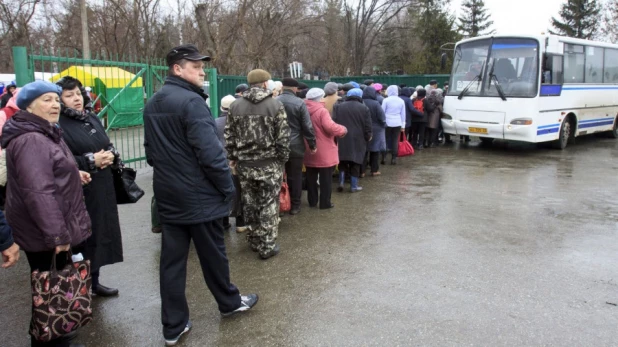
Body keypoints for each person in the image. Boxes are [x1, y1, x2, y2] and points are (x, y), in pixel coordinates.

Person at [143, 44, 258, 346]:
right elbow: (211, 153)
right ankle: (230, 303)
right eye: (196, 66)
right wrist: (227, 187)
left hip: (169, 195)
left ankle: (173, 325)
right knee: (213, 256)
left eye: (202, 66)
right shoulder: (192, 103)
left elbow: (151, 153)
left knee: (172, 263)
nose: (202, 71)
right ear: (177, 69)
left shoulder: (154, 101)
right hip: (199, 196)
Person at [2, 80, 93, 347]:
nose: (54, 105)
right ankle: (52, 338)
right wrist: (58, 237)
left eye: (55, 99)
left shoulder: (45, 133)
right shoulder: (32, 138)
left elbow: (46, 172)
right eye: (46, 100)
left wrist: (73, 174)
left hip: (47, 230)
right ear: (29, 106)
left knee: (50, 293)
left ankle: (53, 334)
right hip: (45, 234)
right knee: (50, 292)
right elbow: (38, 192)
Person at [56, 76, 123, 297]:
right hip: (79, 190)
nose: (76, 98)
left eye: (77, 93)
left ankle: (94, 281)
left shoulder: (90, 117)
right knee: (81, 238)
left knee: (99, 235)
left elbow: (106, 142)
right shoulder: (58, 124)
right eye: (69, 95)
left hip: (101, 186)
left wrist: (110, 155)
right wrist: (90, 160)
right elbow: (59, 160)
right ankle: (78, 287)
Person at [226, 69, 290, 259]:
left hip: (245, 165)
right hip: (269, 164)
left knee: (250, 202)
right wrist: (282, 160)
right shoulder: (275, 105)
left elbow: (229, 136)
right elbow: (283, 139)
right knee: (269, 203)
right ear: (264, 84)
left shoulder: (235, 106)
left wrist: (233, 157)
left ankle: (254, 239)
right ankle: (267, 245)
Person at [277, 77, 316, 215]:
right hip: (295, 145)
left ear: (282, 87)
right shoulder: (299, 103)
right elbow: (307, 126)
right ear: (294, 89)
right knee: (295, 176)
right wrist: (312, 144)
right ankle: (295, 205)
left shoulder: (273, 102)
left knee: (278, 176)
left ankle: (280, 206)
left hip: (277, 145)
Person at [304, 88, 346, 209]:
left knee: (311, 177)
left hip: (308, 148)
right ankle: (325, 203)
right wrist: (343, 129)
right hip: (324, 150)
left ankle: (312, 201)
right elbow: (330, 127)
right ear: (319, 98)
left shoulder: (303, 109)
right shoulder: (322, 111)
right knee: (326, 179)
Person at [215, 94, 246, 232]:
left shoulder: (214, 122)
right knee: (239, 192)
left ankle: (224, 222)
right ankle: (240, 222)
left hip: (220, 162)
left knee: (222, 193)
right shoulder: (241, 122)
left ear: (221, 107)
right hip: (237, 161)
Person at [334, 88, 371, 192]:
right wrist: (368, 136)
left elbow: (334, 121)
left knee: (342, 160)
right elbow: (368, 125)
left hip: (342, 136)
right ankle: (353, 186)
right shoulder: (364, 108)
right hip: (358, 138)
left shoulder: (338, 106)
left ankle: (341, 182)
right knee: (356, 161)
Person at [362, 85, 386, 176]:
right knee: (375, 150)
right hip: (376, 129)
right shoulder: (376, 103)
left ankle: (362, 171)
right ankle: (374, 170)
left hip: (363, 128)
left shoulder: (361, 102)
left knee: (364, 150)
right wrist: (384, 125)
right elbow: (382, 117)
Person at [381, 85, 406, 165]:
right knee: (395, 140)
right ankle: (394, 158)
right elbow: (403, 114)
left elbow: (382, 112)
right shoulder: (401, 101)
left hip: (387, 122)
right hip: (397, 122)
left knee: (385, 140)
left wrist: (382, 122)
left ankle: (384, 158)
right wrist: (403, 126)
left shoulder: (386, 100)